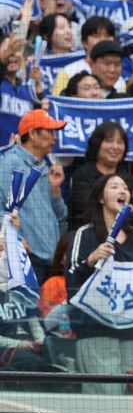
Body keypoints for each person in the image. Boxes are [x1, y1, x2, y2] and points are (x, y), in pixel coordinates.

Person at [65, 173, 133, 388]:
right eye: (114, 187)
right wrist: (92, 260)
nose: (122, 191)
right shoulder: (85, 235)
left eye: (125, 188)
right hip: (96, 331)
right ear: (101, 198)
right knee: (105, 401)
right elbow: (72, 279)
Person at [0, 109, 67, 285]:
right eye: (50, 132)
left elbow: (61, 217)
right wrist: (15, 241)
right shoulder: (10, 162)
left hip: (49, 262)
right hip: (25, 261)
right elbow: (2, 209)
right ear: (33, 134)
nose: (55, 138)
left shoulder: (46, 169)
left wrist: (55, 192)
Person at [68, 120, 133, 229]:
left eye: (120, 142)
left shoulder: (128, 178)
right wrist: (127, 210)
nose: (115, 147)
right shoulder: (82, 175)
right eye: (109, 141)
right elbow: (87, 211)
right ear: (97, 144)